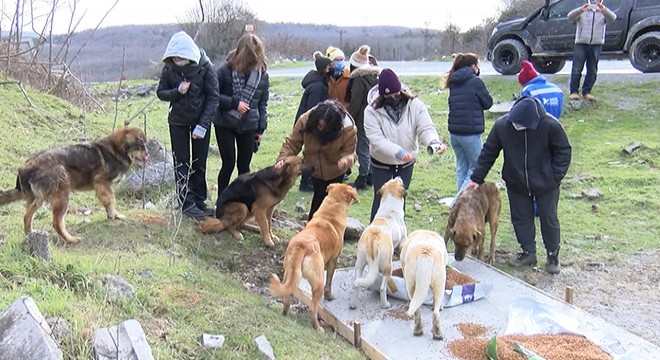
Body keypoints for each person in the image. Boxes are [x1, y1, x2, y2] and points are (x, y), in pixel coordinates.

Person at [465, 96, 572, 274]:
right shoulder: (502, 126)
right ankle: (528, 251)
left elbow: (563, 150)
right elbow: (489, 152)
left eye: (521, 125)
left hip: (546, 182)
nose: (517, 126)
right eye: (515, 123)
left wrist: (555, 176)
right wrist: (477, 178)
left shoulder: (550, 125)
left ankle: (553, 255)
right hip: (516, 180)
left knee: (549, 218)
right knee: (521, 217)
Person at [364, 68, 447, 221]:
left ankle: (397, 237)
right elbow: (376, 139)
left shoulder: (415, 105)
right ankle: (375, 233)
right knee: (381, 200)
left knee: (399, 199)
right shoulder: (371, 111)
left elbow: (425, 127)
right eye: (388, 96)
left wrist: (433, 141)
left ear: (401, 90)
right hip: (382, 162)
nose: (393, 98)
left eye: (396, 94)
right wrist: (398, 152)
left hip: (406, 164)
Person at [157, 31, 219, 220]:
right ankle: (186, 202)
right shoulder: (169, 69)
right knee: (181, 162)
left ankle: (199, 201)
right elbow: (161, 93)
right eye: (174, 57)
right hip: (178, 122)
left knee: (199, 162)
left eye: (180, 57)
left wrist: (202, 125)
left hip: (200, 122)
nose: (177, 60)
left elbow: (213, 98)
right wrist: (177, 91)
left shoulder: (206, 67)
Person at [277, 99, 357, 220]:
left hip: (335, 169)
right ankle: (312, 228)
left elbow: (350, 153)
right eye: (318, 125)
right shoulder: (305, 120)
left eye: (325, 128)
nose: (320, 129)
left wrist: (346, 161)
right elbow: (292, 143)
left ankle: (330, 230)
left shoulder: (348, 128)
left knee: (332, 203)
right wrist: (282, 159)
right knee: (319, 198)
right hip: (313, 167)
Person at [215, 33, 270, 202]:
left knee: (244, 167)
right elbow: (214, 96)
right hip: (225, 123)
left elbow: (262, 103)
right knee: (228, 163)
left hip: (249, 125)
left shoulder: (262, 75)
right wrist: (234, 103)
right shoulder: (224, 71)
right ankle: (222, 202)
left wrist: (261, 128)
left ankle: (243, 202)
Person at [444, 53, 493, 199]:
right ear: (473, 66)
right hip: (470, 133)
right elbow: (488, 103)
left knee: (462, 169)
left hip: (454, 133)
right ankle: (458, 203)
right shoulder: (475, 82)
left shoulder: (453, 81)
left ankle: (462, 202)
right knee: (475, 170)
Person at [294, 51, 333, 192]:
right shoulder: (318, 86)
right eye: (329, 67)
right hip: (310, 125)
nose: (331, 69)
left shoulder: (317, 82)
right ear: (324, 69)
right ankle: (306, 181)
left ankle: (308, 180)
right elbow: (313, 109)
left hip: (308, 124)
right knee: (311, 153)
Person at [345, 44, 380, 190]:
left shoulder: (359, 80)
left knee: (362, 149)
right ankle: (371, 175)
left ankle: (363, 177)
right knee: (370, 147)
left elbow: (356, 102)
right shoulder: (374, 77)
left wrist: (349, 119)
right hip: (374, 118)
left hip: (361, 119)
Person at [567, 0, 617, 101]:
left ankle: (587, 91)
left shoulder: (603, 11)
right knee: (577, 69)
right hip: (581, 43)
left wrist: (604, 10)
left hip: (596, 44)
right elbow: (570, 17)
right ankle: (574, 92)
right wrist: (580, 10)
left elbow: (613, 18)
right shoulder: (583, 10)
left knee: (592, 70)